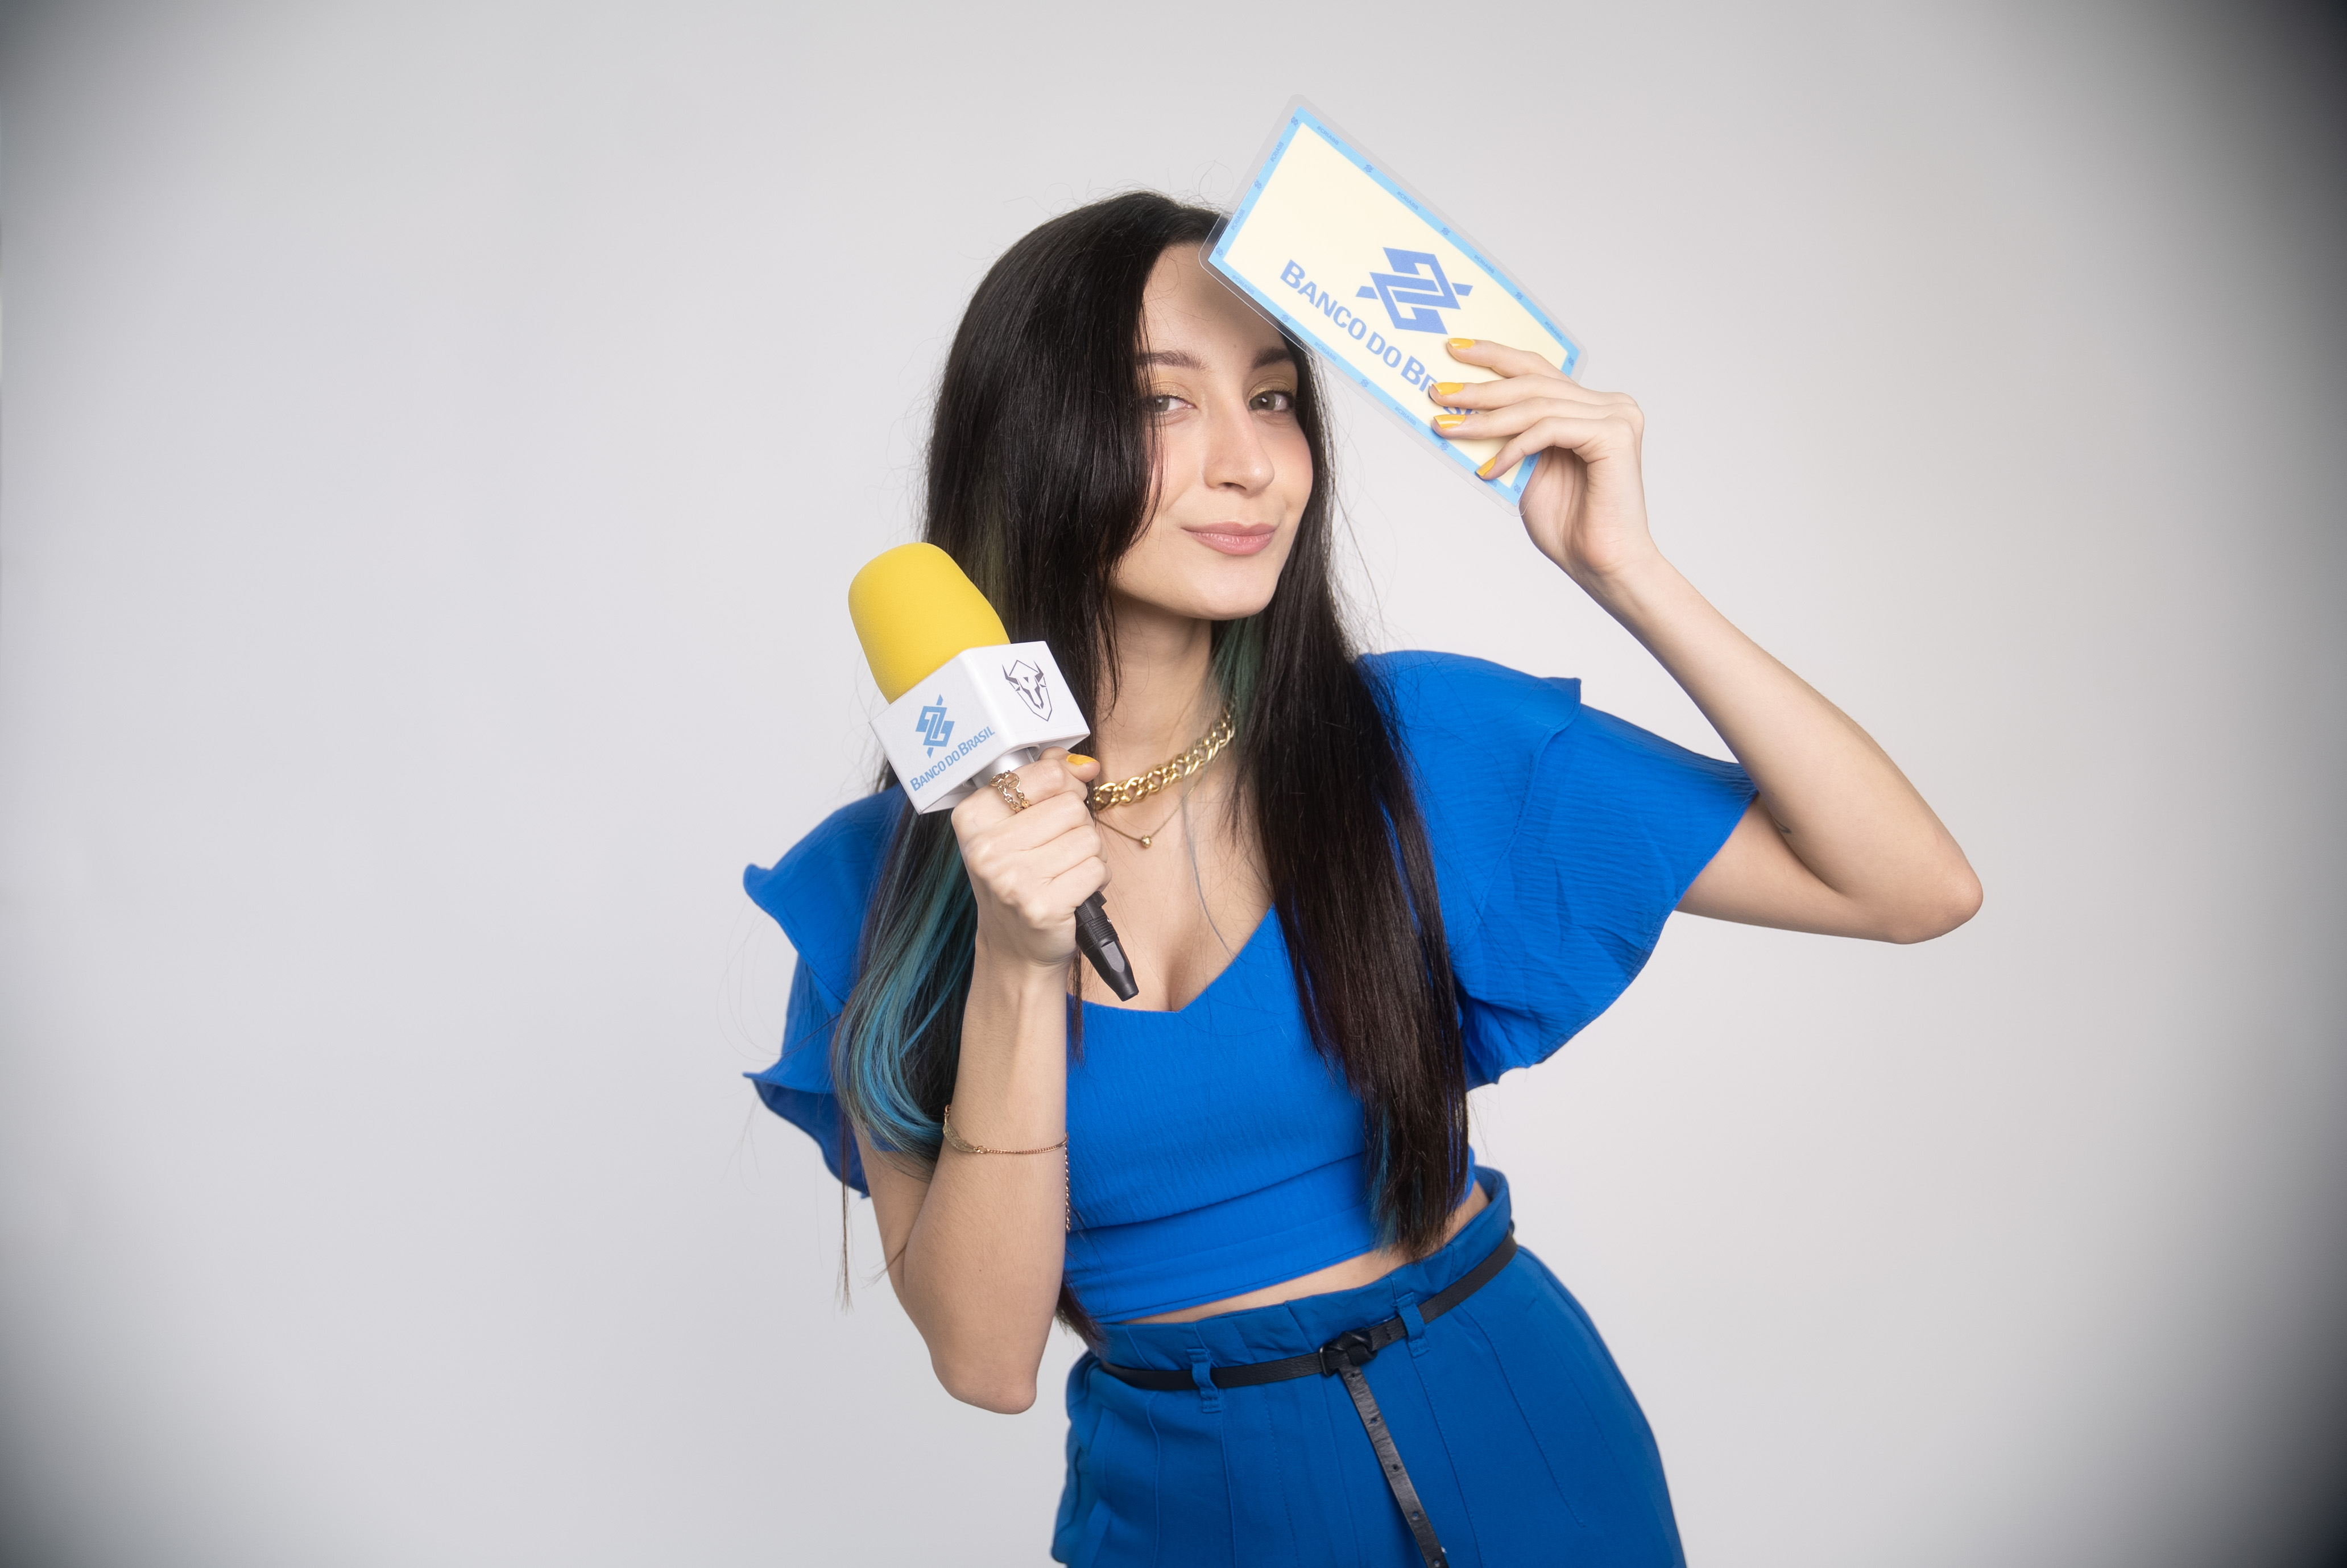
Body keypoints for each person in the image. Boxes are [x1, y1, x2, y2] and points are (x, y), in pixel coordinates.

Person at [744, 191, 1980, 1568]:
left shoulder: (1416, 744)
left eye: (1274, 400)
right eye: (1165, 404)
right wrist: (1019, 958)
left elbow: (1910, 886)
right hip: (1190, 1513)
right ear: (1032, 440)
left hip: (1524, 1441)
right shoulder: (872, 893)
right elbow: (985, 1359)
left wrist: (1626, 568)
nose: (1253, 466)